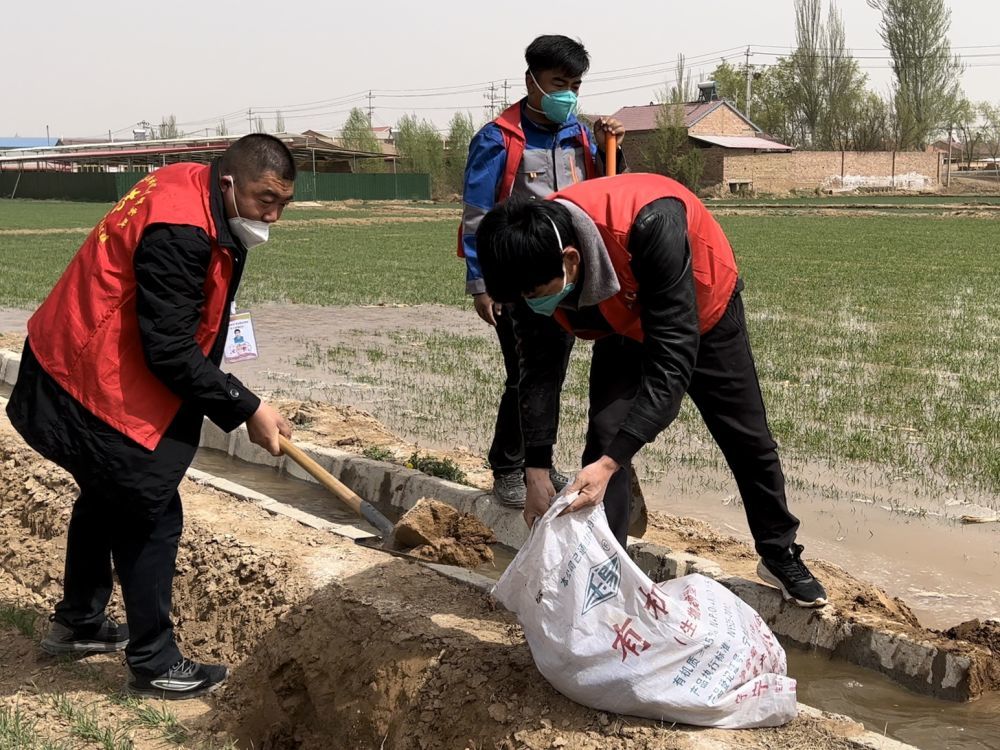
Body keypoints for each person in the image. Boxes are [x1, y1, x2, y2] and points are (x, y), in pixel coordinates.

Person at [5, 134, 297, 697]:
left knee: (105, 489)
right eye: (266, 200)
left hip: (78, 354)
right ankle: (155, 661)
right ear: (231, 181)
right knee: (150, 508)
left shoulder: (190, 186)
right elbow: (167, 348)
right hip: (89, 374)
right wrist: (246, 407)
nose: (273, 216)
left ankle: (79, 622)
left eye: (284, 203)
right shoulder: (182, 230)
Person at [475, 172, 828, 608]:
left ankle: (779, 551)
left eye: (534, 294)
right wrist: (537, 468)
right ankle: (606, 571)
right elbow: (538, 376)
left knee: (746, 438)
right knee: (605, 437)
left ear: (570, 260)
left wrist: (612, 462)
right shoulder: (529, 270)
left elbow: (672, 362)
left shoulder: (651, 224)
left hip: (701, 310)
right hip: (620, 315)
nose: (531, 305)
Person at [458, 34, 626, 508]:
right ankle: (509, 466)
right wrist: (482, 285)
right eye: (558, 82)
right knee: (525, 373)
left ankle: (537, 459)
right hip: (519, 280)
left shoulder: (579, 136)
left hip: (568, 278)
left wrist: (611, 145)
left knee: (551, 373)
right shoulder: (499, 140)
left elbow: (607, 195)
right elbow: (476, 217)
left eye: (574, 84)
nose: (567, 94)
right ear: (531, 80)